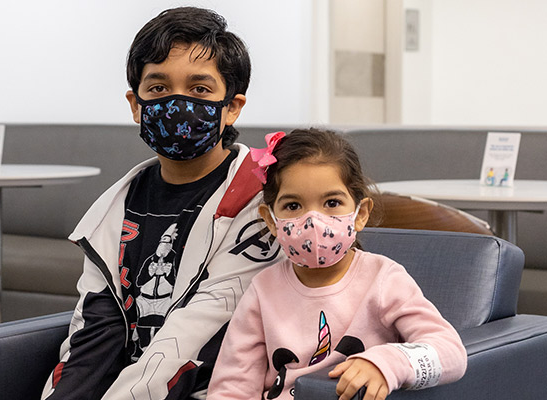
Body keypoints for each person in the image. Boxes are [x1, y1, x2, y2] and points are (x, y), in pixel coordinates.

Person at [41, 7, 282, 400]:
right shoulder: (113, 211)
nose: (176, 104)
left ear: (233, 107)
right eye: (158, 89)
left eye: (200, 90)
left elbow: (195, 341)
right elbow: (93, 338)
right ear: (136, 104)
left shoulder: (260, 204)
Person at [207, 129, 467, 400]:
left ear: (360, 214)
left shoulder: (383, 279)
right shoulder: (263, 289)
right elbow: (232, 388)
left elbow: (451, 354)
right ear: (271, 220)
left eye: (332, 203)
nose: (313, 221)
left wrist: (387, 362)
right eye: (293, 206)